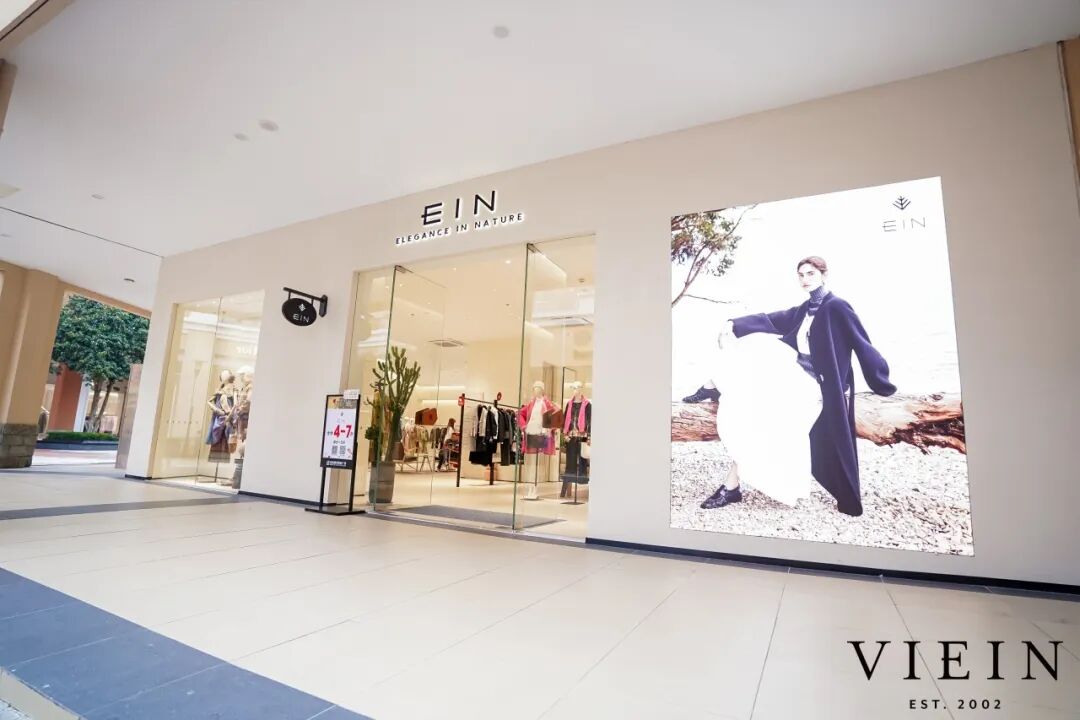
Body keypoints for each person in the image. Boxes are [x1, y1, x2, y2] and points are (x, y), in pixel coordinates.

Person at [700, 256, 895, 516]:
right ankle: (713, 387)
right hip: (796, 375)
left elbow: (862, 343)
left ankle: (731, 486)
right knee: (754, 370)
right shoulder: (806, 309)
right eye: (801, 275)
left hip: (817, 385)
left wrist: (881, 382)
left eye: (811, 273)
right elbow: (772, 320)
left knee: (765, 420)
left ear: (824, 275)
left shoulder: (837, 307)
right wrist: (735, 324)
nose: (805, 279)